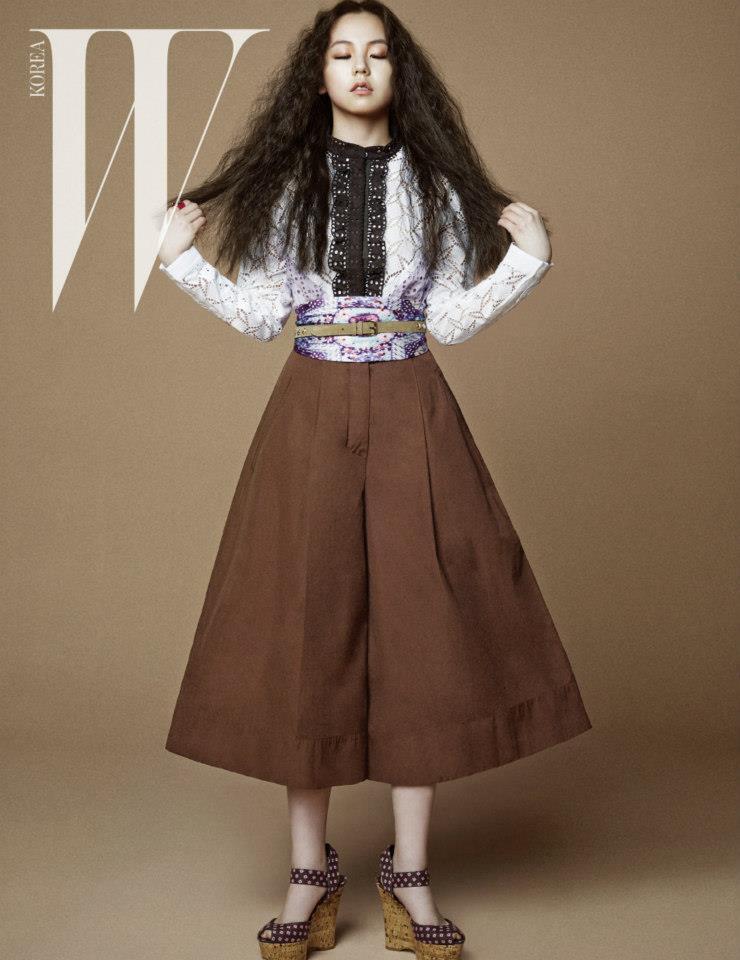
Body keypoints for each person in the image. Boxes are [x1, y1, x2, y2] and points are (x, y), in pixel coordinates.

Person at [157, 2, 592, 957]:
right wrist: (181, 265)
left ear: (401, 73)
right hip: (311, 409)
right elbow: (262, 315)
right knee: (307, 625)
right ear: (316, 76)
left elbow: (454, 318)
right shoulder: (286, 187)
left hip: (411, 406)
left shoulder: (434, 186)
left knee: (422, 627)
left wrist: (528, 263)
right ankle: (308, 874)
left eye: (378, 53)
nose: (360, 68)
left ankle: (411, 873)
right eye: (342, 54)